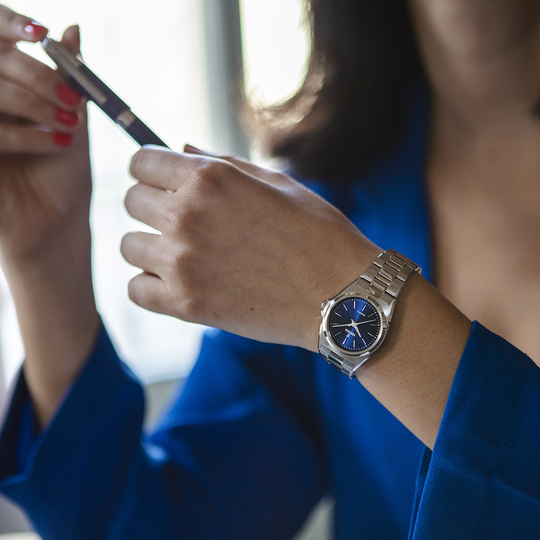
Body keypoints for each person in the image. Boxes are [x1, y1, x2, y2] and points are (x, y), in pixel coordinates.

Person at [0, 0, 539, 538]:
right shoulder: (327, 210)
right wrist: (44, 255)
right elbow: (160, 525)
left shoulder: (317, 253)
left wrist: (343, 292)